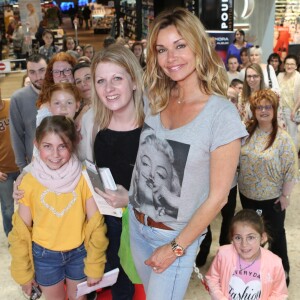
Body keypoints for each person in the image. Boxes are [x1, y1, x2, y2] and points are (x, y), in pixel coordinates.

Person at [127, 8, 247, 300]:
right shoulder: (156, 98)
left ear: (198, 47)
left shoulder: (221, 115)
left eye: (180, 45)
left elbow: (219, 197)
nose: (171, 58)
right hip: (137, 225)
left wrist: (176, 247)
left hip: (174, 237)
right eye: (162, 50)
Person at [8, 115, 108, 300]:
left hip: (79, 253)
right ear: (36, 144)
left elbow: (96, 225)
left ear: (73, 145)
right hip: (44, 257)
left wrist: (95, 264)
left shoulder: (84, 177)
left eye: (62, 146)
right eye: (48, 146)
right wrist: (24, 273)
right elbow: (20, 232)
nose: (55, 154)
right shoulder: (28, 182)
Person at [79, 44, 145, 299]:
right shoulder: (92, 121)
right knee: (118, 285)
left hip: (144, 225)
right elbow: (77, 163)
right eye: (101, 81)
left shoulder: (155, 125)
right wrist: (30, 177)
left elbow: (170, 191)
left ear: (134, 81)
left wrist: (130, 199)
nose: (109, 89)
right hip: (107, 223)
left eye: (117, 78)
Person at [238, 89, 298, 286]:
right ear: (253, 110)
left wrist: (285, 196)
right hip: (247, 195)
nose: (263, 110)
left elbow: (291, 170)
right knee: (251, 236)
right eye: (259, 107)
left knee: (276, 235)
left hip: (271, 199)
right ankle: (254, 273)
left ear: (274, 109)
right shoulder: (246, 132)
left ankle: (282, 273)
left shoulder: (282, 138)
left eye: (267, 106)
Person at [206, 209, 288, 299]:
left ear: (263, 238)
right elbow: (212, 279)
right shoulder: (223, 254)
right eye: (238, 238)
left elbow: (279, 293)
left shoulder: (274, 263)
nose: (244, 244)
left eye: (251, 237)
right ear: (231, 238)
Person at [10, 54, 47, 171]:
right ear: (27, 73)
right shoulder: (18, 98)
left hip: (63, 164)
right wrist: (22, 168)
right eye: (32, 72)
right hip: (34, 166)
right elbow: (16, 135)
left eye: (42, 70)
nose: (38, 77)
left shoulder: (59, 93)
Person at [0, 88, 20, 237]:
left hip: (22, 166)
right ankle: (12, 238)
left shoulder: (12, 105)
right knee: (8, 208)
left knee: (30, 203)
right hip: (3, 171)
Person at [277, 54, 300, 150]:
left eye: (292, 64)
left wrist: (294, 110)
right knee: (280, 134)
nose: (289, 66)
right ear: (284, 65)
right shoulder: (280, 75)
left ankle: (292, 157)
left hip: (292, 110)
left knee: (292, 135)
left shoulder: (298, 77)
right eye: (287, 64)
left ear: (296, 66)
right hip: (279, 110)